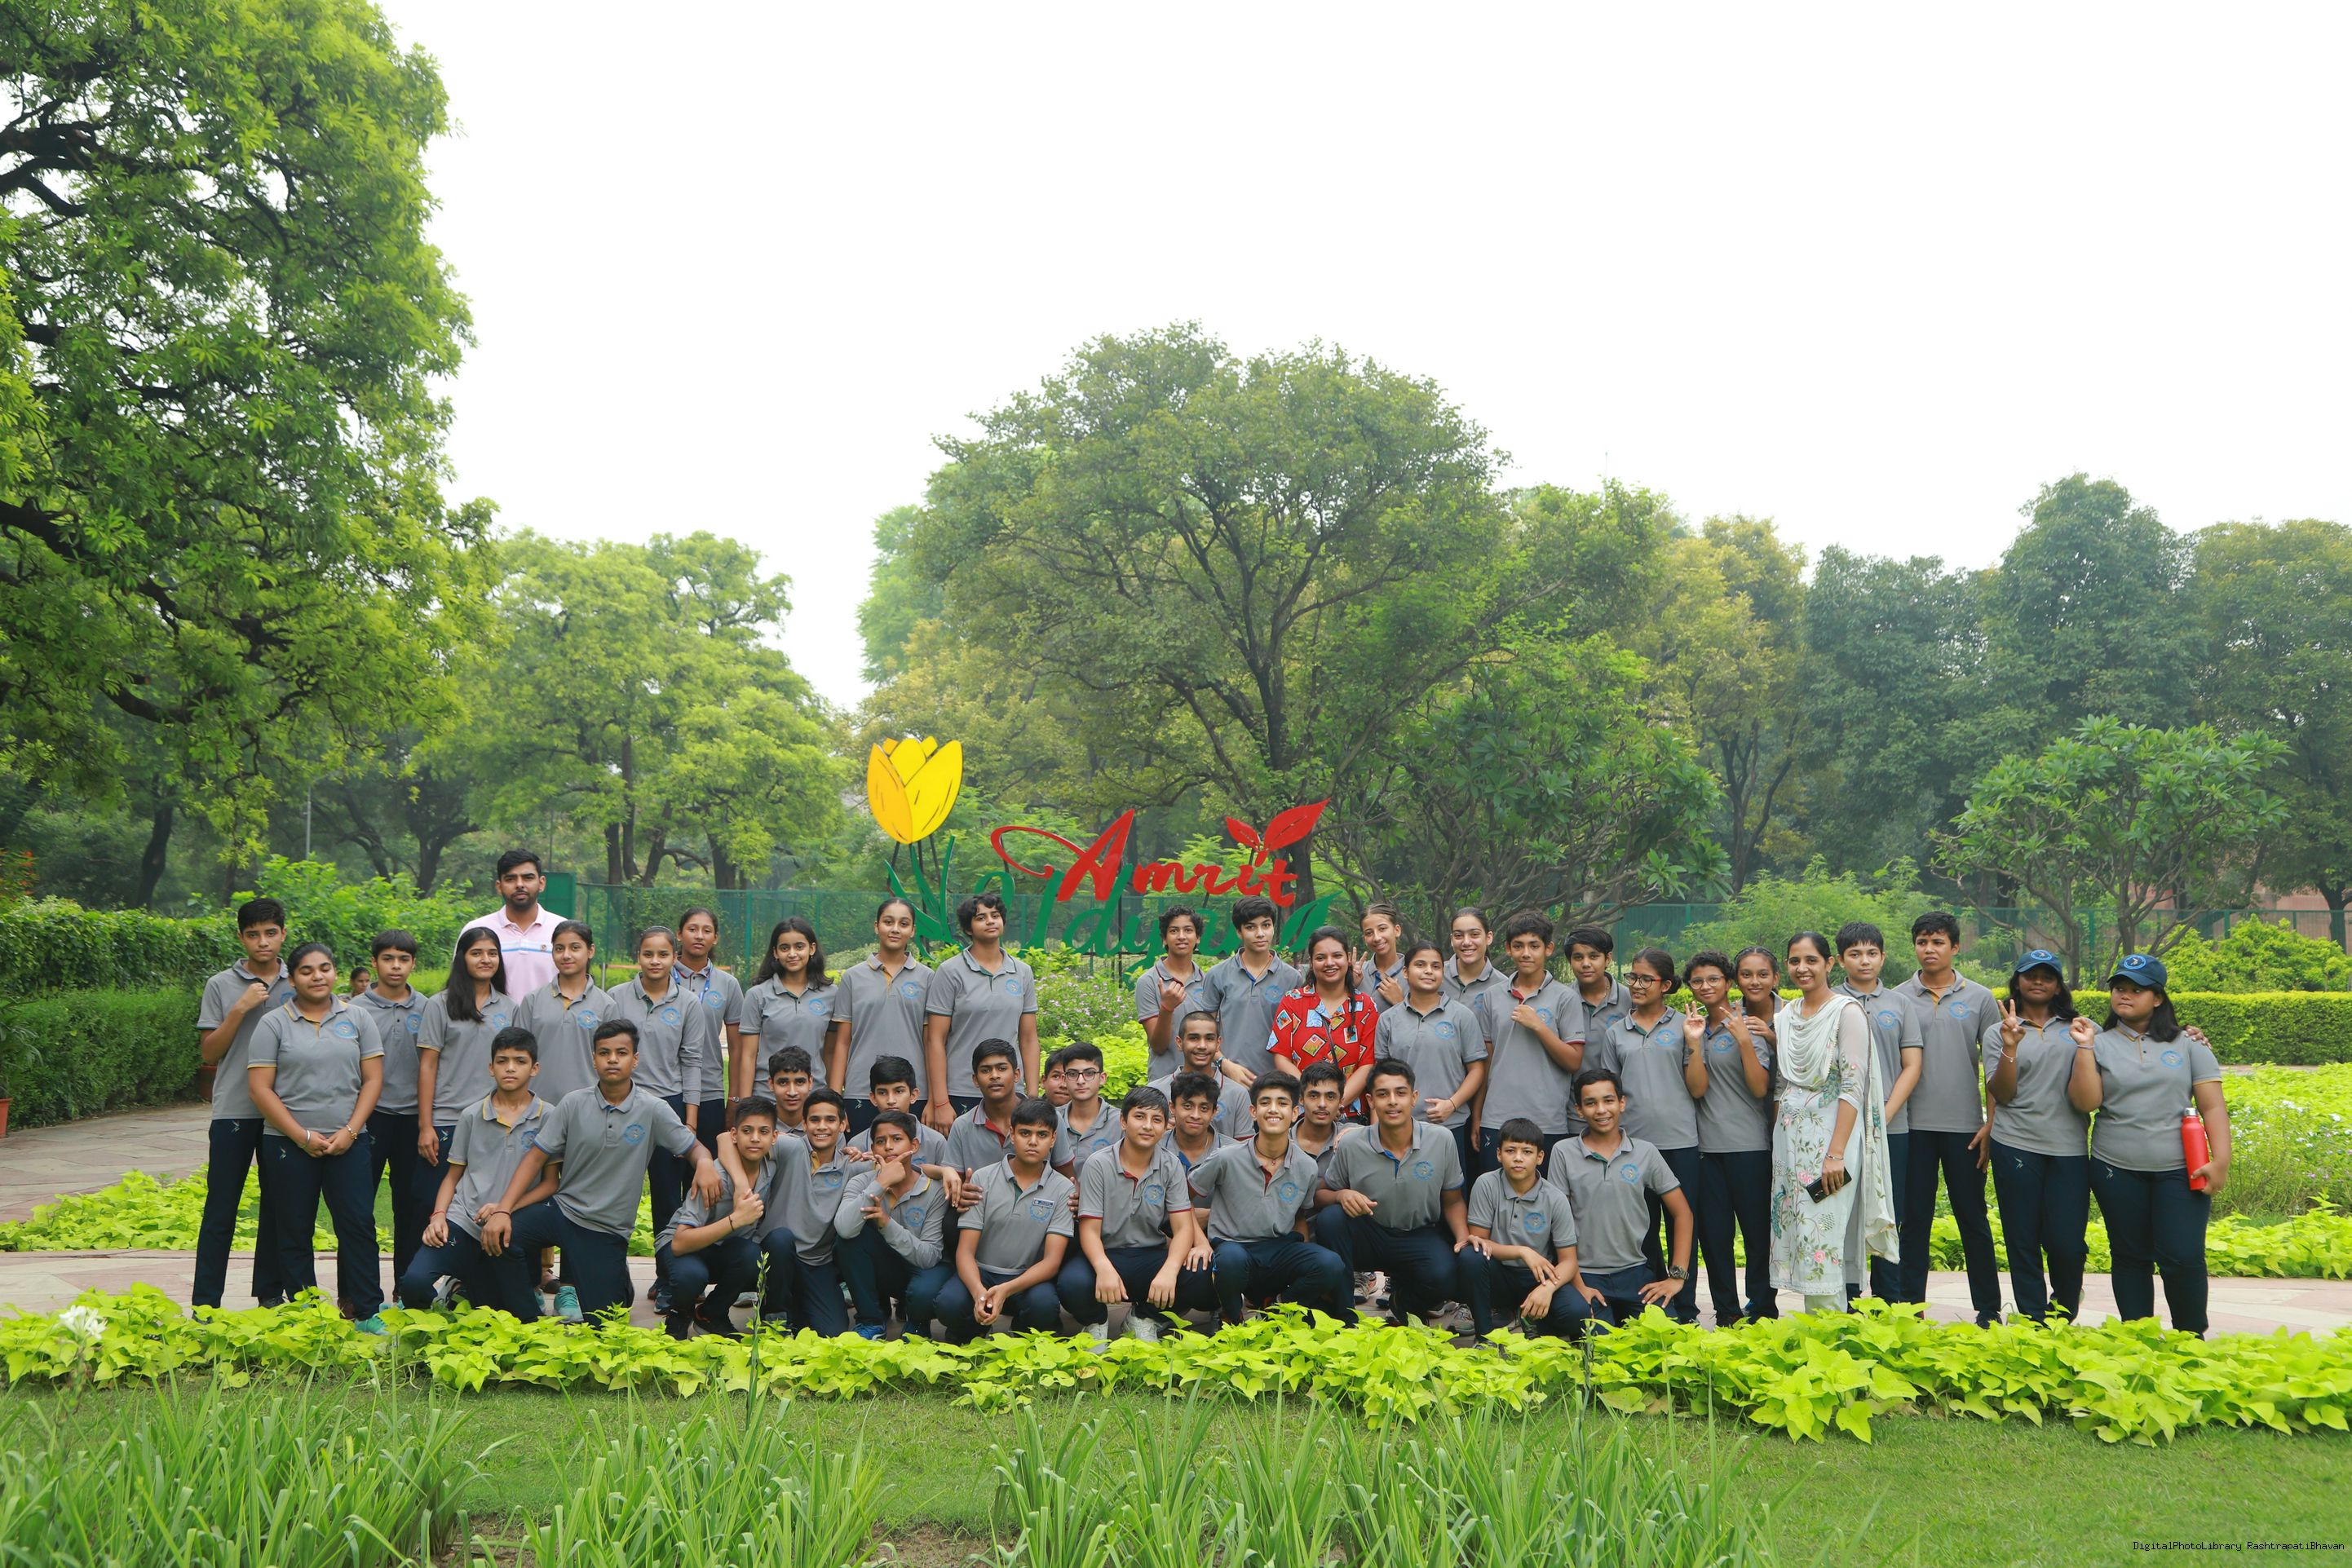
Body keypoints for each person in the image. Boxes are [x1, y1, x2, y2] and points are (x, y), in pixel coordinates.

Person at [480, 1019, 723, 1322]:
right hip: (563, 1212)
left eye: (621, 1053)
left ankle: (618, 1280)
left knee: (603, 1320)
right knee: (503, 1234)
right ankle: (527, 1318)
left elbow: (693, 1147)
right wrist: (503, 1210)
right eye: (604, 1053)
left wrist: (704, 1163)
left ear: (635, 1059)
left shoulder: (653, 1109)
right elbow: (535, 1158)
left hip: (607, 1229)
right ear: (593, 1059)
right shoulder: (573, 1104)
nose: (612, 1060)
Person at [2069, 952, 2231, 1335]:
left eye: (2136, 990)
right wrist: (2085, 1049)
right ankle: (2137, 1337)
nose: (2125, 995)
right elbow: (2086, 1103)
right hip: (2115, 1167)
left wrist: (2221, 1160)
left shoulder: (2189, 1044)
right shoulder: (2098, 1043)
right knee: (2130, 1256)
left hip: (2181, 1168)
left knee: (2183, 1255)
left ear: (2157, 998)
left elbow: (2212, 1106)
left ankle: (2190, 1337)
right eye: (2119, 988)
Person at [247, 942, 387, 1331]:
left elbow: (373, 1080)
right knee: (294, 1227)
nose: (317, 976)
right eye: (306, 971)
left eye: (325, 968)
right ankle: (306, 1311)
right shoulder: (273, 1023)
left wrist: (351, 1131)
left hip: (349, 1141)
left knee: (358, 1224)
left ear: (335, 973)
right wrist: (301, 1136)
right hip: (287, 1144)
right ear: (292, 979)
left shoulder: (358, 1018)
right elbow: (260, 1089)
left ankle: (367, 1310)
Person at [1770, 932, 1898, 1313]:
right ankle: (1823, 1327)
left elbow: (1852, 1086)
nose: (1802, 968)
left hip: (1831, 1145)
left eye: (1811, 960)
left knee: (1822, 1229)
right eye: (1795, 961)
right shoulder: (1786, 1016)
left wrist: (1836, 1154)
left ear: (1829, 964)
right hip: (1791, 1145)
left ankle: (1829, 1330)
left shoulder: (1847, 1012)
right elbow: (1784, 1085)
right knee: (1800, 1229)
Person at [1895, 912, 2002, 1324]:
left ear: (1955, 947)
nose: (1929, 949)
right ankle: (1910, 1308)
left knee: (1972, 1218)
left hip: (1965, 1129)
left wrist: (1990, 1124)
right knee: (1913, 1220)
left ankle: (1988, 1308)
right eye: (1922, 942)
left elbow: (1994, 1066)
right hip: (1912, 1127)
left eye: (1938, 942)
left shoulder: (1980, 998)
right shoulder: (1898, 997)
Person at [397, 1026, 547, 1316]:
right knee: (414, 1283)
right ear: (491, 1068)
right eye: (502, 1061)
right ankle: (442, 1307)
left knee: (507, 1314)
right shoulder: (471, 1115)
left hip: (511, 1226)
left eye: (520, 1061)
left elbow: (550, 1183)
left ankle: (464, 1287)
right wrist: (438, 1216)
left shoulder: (549, 1116)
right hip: (464, 1220)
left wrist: (504, 1208)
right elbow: (452, 1176)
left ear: (534, 1068)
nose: (510, 1068)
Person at [607, 925, 715, 1315]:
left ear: (674, 957)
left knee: (669, 1200)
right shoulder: (616, 998)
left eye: (663, 954)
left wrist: (690, 1121)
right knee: (616, 1195)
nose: (655, 961)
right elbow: (605, 1055)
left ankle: (668, 1278)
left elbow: (692, 1062)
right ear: (638, 956)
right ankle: (610, 1278)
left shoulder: (688, 1003)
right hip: (623, 1103)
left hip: (669, 1107)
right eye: (648, 954)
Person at [1311, 1058, 1470, 1325]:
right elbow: (1320, 1196)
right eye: (1383, 1094)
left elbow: (1453, 1200)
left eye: (1401, 1093)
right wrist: (1341, 1195)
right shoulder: (1352, 1143)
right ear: (1371, 1101)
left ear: (1414, 1098)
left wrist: (1463, 1240)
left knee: (1445, 1274)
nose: (1393, 1102)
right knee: (1331, 1219)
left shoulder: (1441, 1139)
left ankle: (1402, 1303)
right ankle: (1344, 1315)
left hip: (1418, 1234)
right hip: (1370, 1233)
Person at [193, 896, 293, 1310]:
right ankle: (205, 1303)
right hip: (234, 1109)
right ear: (241, 938)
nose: (262, 942)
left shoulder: (299, 981)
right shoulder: (220, 985)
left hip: (284, 1113)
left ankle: (269, 1294)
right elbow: (209, 1052)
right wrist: (240, 1008)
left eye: (270, 933)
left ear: (283, 933)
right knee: (220, 1209)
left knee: (277, 1207)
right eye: (253, 935)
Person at [1059, 1084, 1218, 1345]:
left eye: (1157, 1120)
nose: (1147, 1126)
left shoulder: (1170, 1165)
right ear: (1123, 1121)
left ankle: (1143, 1317)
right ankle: (1096, 1322)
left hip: (1149, 1254)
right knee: (1071, 1283)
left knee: (1200, 1274)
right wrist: (1103, 1267)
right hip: (1105, 1251)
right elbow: (1089, 1229)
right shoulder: (1099, 1164)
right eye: (1139, 1117)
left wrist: (1170, 1270)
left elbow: (1182, 1228)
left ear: (1165, 1127)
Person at [1187, 1073, 1351, 1326]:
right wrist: (1200, 1241)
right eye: (1265, 1102)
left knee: (1330, 1264)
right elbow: (1181, 1199)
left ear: (1294, 1112)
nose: (1273, 1109)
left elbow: (1299, 1215)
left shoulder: (1306, 1166)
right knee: (1230, 1260)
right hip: (1234, 1246)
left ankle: (1278, 1309)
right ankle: (1231, 1317)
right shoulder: (1226, 1158)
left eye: (1282, 1103)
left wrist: (1304, 1257)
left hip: (1279, 1249)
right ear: (1253, 1112)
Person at [1984, 950, 2092, 1322]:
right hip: (2015, 1142)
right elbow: (2002, 1093)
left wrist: (2187, 1034)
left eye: (2048, 976)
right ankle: (2033, 1317)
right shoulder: (1999, 1031)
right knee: (2022, 1237)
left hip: (2069, 1146)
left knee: (2067, 1243)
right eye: (2031, 975)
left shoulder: (2080, 1028)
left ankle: (2064, 1308)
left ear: (2059, 985)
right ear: (2018, 982)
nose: (2039, 982)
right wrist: (2010, 1047)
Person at [1603, 948, 1705, 1324]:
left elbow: (1698, 1088)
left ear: (1666, 985)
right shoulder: (1616, 1032)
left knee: (1682, 1224)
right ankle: (1651, 1306)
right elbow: (1610, 1092)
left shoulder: (1684, 1025)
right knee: (1641, 1230)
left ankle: (1685, 1306)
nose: (1637, 985)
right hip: (1633, 1147)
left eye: (1647, 979)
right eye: (1633, 977)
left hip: (1679, 1142)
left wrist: (1693, 1043)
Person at [1548, 1069, 1691, 1326]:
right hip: (1585, 1274)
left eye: (1608, 1100)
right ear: (1579, 1110)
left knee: (1665, 1335)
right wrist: (1578, 1284)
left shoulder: (1645, 1152)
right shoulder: (1563, 1152)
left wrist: (1677, 1277)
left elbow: (1683, 1213)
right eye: (1591, 1103)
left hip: (1635, 1273)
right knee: (1597, 1342)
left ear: (1622, 1103)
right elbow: (1558, 1223)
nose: (1601, 1110)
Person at [1833, 921, 1923, 1304]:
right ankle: (1847, 1297)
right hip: (1839, 1129)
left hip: (1892, 1128)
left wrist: (1884, 1115)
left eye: (1871, 953)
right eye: (1855, 954)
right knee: (1843, 1211)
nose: (1864, 961)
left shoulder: (1901, 1004)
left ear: (1883, 957)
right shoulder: (1831, 1002)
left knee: (1889, 1212)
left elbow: (1912, 1066)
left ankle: (1889, 1301)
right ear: (1840, 960)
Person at [933, 1098, 1074, 1341]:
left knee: (1044, 1306)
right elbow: (965, 1252)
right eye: (1025, 1133)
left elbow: (1052, 1262)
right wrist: (980, 1293)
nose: (1033, 1141)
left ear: (1053, 1139)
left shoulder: (1063, 1189)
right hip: (983, 1273)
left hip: (1028, 1277)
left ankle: (1021, 1332)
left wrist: (1005, 1290)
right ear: (1012, 1134)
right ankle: (975, 1328)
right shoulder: (983, 1178)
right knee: (948, 1304)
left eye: (1042, 1135)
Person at [1686, 950, 1776, 1326]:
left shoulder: (1748, 1025)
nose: (1705, 986)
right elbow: (1697, 1090)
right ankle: (1726, 1310)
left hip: (1750, 1148)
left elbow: (1759, 1088)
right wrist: (1694, 1043)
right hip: (1707, 1150)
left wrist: (1743, 1041)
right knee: (1715, 1237)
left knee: (1757, 1235)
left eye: (1713, 979)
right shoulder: (1693, 1027)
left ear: (1728, 982)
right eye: (1697, 981)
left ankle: (1763, 1308)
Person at [1469, 910, 1585, 1167]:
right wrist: (1478, 1115)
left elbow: (1574, 1061)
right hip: (1496, 1119)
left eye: (1534, 946)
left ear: (1548, 949)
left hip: (1547, 1120)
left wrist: (1539, 1027)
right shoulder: (1493, 996)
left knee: (1543, 1190)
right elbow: (1486, 1062)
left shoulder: (1566, 998)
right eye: (1518, 946)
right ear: (1508, 949)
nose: (1526, 953)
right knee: (1495, 1189)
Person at [656, 1094, 776, 1339]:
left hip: (725, 1249)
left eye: (763, 1132)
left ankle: (711, 1314)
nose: (755, 1138)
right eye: (747, 1131)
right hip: (684, 1247)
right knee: (691, 1277)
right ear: (734, 1135)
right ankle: (680, 1311)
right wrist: (735, 1220)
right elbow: (680, 1243)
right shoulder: (715, 1177)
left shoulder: (771, 1167)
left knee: (754, 1258)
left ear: (774, 1137)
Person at [1461, 1117, 1592, 1340]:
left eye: (1527, 1152)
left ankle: (1534, 1321)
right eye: (1510, 1150)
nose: (1518, 1158)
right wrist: (1523, 1251)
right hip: (1499, 1274)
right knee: (1470, 1256)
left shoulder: (1555, 1198)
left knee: (1578, 1314)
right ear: (1498, 1154)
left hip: (1538, 1276)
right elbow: (1479, 1241)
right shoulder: (1486, 1184)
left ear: (1540, 1157)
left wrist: (1547, 1288)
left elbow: (1569, 1262)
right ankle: (1484, 1336)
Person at [354, 929, 431, 1296]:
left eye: (403, 959)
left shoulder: (429, 1008)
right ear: (374, 962)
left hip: (414, 1119)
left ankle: (406, 1288)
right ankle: (356, 1292)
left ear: (413, 963)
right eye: (388, 959)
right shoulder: (355, 1010)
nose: (396, 966)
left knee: (411, 1207)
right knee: (357, 1207)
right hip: (368, 1117)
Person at [922, 892, 1041, 1131]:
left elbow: (1028, 1038)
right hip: (961, 1090)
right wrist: (941, 1101)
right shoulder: (950, 971)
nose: (990, 921)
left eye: (995, 915)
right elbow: (935, 1040)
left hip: (1010, 1091)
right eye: (980, 917)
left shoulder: (1022, 972)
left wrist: (1032, 1095)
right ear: (969, 928)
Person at [1373, 939, 1488, 1178]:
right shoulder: (1388, 1019)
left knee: (1451, 1191)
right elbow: (1379, 1077)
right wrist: (1377, 1127)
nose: (1428, 971)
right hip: (1399, 1125)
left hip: (1451, 1125)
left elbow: (1477, 1070)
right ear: (1406, 972)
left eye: (1436, 966)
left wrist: (1452, 1104)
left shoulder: (1462, 1016)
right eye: (1420, 965)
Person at [836, 1109, 955, 1339]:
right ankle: (871, 1320)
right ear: (873, 1149)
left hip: (924, 1269)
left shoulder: (935, 1189)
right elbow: (844, 1229)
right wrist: (880, 1183)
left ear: (914, 1145)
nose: (888, 1147)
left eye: (897, 1139)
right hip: (887, 1265)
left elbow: (929, 1257)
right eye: (881, 1142)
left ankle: (917, 1321)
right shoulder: (861, 1182)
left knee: (923, 1292)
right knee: (849, 1240)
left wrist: (886, 1222)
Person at [755, 1087, 856, 1335]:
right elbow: (727, 1138)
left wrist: (943, 1171)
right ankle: (774, 1313)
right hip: (777, 1255)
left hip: (816, 1263)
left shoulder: (851, 1165)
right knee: (781, 1239)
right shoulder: (790, 1148)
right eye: (815, 1120)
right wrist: (704, 1164)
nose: (822, 1127)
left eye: (830, 1120)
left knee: (833, 1331)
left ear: (842, 1125)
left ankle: (797, 1308)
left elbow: (893, 1167)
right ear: (804, 1124)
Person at [416, 925, 514, 1182]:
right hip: (447, 1119)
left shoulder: (510, 1008)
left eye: (492, 953)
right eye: (476, 953)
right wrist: (426, 1126)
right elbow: (427, 1066)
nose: (486, 959)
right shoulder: (439, 1004)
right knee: (437, 1198)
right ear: (462, 958)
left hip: (495, 1119)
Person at [831, 898, 935, 1133]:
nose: (895, 929)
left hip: (912, 1093)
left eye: (903, 924)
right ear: (877, 926)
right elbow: (842, 1042)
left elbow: (931, 1042)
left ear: (913, 930)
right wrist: (835, 1100)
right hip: (860, 1091)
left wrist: (935, 1099)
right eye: (889, 922)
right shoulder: (853, 977)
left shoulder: (928, 978)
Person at [1269, 926, 1380, 1110]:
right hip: (1302, 1112)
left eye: (1337, 956)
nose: (1329, 963)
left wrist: (1335, 1104)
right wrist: (1312, 1100)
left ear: (1348, 959)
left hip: (1349, 1114)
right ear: (1311, 963)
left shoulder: (1366, 1006)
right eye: (1321, 958)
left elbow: (1367, 1064)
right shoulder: (1292, 1002)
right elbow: (1281, 1057)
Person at [510, 921, 612, 1105]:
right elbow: (517, 1055)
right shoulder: (532, 1001)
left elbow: (612, 1061)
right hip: (537, 1106)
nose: (566, 955)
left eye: (575, 948)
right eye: (559, 949)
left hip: (589, 1106)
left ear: (590, 951)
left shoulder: (606, 1005)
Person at [1201, 896, 1302, 1080]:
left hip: (1277, 1082)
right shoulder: (1218, 975)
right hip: (1227, 1079)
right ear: (1239, 932)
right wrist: (1223, 1063)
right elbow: (1204, 1032)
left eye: (1266, 925)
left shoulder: (1292, 978)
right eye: (1251, 927)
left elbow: (1298, 1036)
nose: (1260, 933)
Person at [673, 906, 745, 1153]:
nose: (699, 936)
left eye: (706, 931)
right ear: (679, 934)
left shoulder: (728, 984)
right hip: (666, 1087)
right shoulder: (661, 976)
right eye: (692, 929)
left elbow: (737, 1048)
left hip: (709, 1090)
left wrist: (734, 1098)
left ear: (715, 938)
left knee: (705, 1166)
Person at [741, 917, 838, 1099]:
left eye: (799, 947)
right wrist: (746, 1105)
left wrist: (833, 1099)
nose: (792, 954)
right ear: (775, 953)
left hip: (814, 1097)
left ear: (812, 949)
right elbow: (748, 1055)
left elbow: (831, 1053)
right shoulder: (757, 995)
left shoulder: (831, 994)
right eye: (785, 948)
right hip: (768, 1097)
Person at [1147, 1010, 1254, 1140]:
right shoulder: (1156, 1090)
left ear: (1218, 1044)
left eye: (1209, 1039)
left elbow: (1244, 1148)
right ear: (1179, 1043)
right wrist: (1161, 1133)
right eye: (1194, 1038)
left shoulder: (1237, 1094)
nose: (1202, 1046)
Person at [1135, 905, 1214, 1081]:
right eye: (1174, 931)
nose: (1181, 936)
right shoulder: (1148, 982)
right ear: (1164, 939)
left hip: (1204, 1082)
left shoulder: (1209, 981)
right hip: (1164, 1082)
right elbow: (1158, 1046)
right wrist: (1167, 1008)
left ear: (1198, 937)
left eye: (1188, 930)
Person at [469, 849, 558, 1000]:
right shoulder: (476, 930)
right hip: (491, 1015)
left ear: (541, 883)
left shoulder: (562, 931)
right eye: (510, 879)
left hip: (548, 1016)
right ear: (499, 886)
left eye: (528, 878)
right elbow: (461, 983)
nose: (520, 885)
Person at [845, 1056, 953, 1168]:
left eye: (899, 1091)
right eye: (882, 1093)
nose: (891, 1100)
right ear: (873, 1098)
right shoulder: (858, 1144)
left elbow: (946, 1177)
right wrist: (870, 1167)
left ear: (913, 1095)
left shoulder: (936, 1142)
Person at [1443, 905, 1512, 1053]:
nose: (1466, 942)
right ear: (1451, 939)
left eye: (1474, 935)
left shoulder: (1503, 986)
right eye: (1458, 936)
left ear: (1489, 937)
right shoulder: (1435, 976)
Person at [1050, 1041, 1121, 1177]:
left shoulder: (1121, 1122)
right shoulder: (1051, 1118)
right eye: (1073, 1074)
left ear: (1102, 1078)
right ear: (1064, 1079)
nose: (1081, 1081)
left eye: (1089, 1073)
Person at [1291, 1061, 1357, 1183]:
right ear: (1301, 1099)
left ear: (1340, 1102)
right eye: (1314, 1096)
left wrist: (1362, 1134)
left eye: (1330, 1097)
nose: (1322, 1104)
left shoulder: (1352, 1134)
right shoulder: (1282, 1141)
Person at [1564, 925, 1630, 1040]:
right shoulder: (1562, 1000)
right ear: (1570, 961)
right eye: (1578, 957)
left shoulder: (1629, 999)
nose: (1586, 964)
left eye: (1593, 956)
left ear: (1608, 959)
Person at [1166, 1071, 1231, 1174]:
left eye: (1204, 1108)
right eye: (1187, 1106)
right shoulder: (1154, 1147)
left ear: (1214, 1112)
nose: (1195, 1116)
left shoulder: (1234, 1153)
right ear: (1172, 1107)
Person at [1355, 899, 1408, 1013]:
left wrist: (1399, 1002)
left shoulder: (1413, 973)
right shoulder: (1356, 973)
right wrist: (1348, 986)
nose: (1377, 938)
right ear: (1364, 939)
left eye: (1382, 929)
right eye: (1369, 933)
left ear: (1397, 930)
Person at [767, 1046, 815, 1131]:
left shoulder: (824, 1127)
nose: (792, 1093)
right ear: (771, 1084)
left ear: (810, 1082)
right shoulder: (757, 1127)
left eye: (800, 1082)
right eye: (783, 1083)